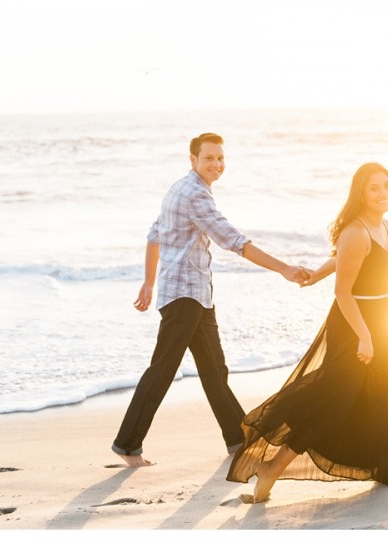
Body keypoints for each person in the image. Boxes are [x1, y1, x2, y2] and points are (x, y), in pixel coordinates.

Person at [226, 162, 388, 502]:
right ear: (360, 193)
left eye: (387, 185)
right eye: (374, 187)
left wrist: (317, 272)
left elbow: (344, 260)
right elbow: (343, 292)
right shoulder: (355, 231)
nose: (383, 193)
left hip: (384, 316)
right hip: (354, 321)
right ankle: (271, 467)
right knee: (336, 400)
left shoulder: (384, 226)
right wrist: (364, 336)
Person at [112, 132, 308, 467]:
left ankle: (238, 439)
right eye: (209, 158)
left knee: (215, 372)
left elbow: (153, 236)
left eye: (220, 158)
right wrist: (283, 268)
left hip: (193, 294)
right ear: (193, 160)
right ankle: (128, 445)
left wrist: (148, 283)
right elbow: (233, 241)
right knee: (162, 370)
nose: (216, 164)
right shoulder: (195, 197)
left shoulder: (179, 188)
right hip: (185, 295)